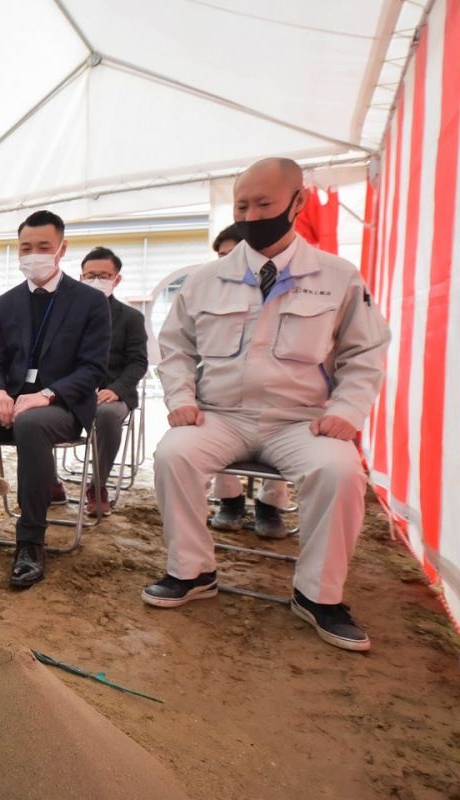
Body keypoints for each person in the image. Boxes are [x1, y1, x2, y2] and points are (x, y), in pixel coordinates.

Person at [145, 158, 389, 652]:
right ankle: (192, 572)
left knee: (341, 472)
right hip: (221, 416)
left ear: (297, 203)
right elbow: (175, 348)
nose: (252, 214)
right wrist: (181, 398)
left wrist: (348, 410)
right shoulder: (205, 279)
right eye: (242, 205)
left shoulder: (338, 277)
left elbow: (365, 352)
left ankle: (317, 595)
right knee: (174, 454)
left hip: (301, 421)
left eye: (264, 204)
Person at [0, 210, 110, 588]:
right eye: (26, 247)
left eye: (44, 247)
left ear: (61, 249)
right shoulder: (5, 304)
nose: (34, 254)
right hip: (14, 400)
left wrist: (48, 394)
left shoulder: (90, 302)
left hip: (62, 405)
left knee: (31, 423)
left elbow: (93, 368)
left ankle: (30, 540)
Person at [206, 224, 291, 537]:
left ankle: (271, 505)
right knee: (204, 422)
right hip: (226, 401)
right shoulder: (211, 295)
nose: (226, 262)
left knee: (287, 421)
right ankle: (230, 500)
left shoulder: (287, 291)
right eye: (221, 256)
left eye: (233, 254)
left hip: (280, 402)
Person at [78, 247, 148, 516]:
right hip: (75, 390)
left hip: (113, 392)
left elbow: (138, 362)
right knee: (35, 412)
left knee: (106, 415)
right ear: (81, 277)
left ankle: (97, 485)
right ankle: (50, 483)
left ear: (116, 278)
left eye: (104, 275)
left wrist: (116, 389)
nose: (97, 280)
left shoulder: (131, 318)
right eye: (90, 275)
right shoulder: (69, 315)